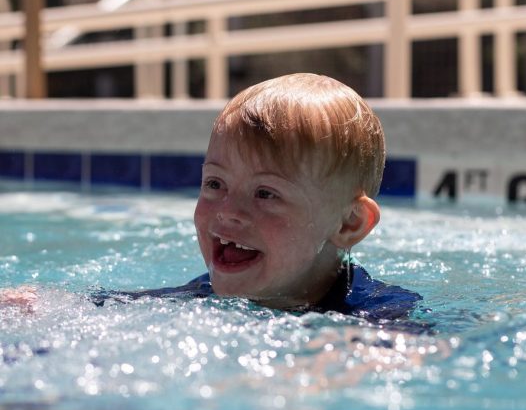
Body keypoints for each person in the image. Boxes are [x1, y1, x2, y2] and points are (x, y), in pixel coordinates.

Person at [2, 74, 421, 323]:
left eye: (265, 193)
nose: (229, 213)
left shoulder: (377, 313)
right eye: (215, 185)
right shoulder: (201, 297)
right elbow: (111, 307)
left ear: (349, 224)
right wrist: (42, 303)